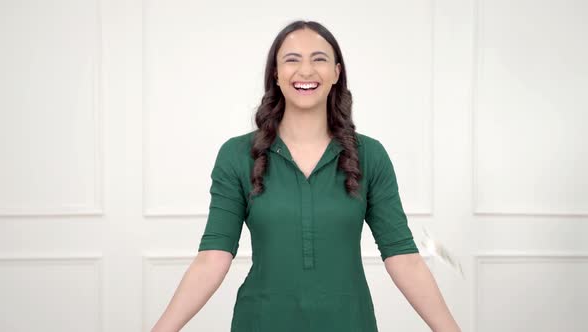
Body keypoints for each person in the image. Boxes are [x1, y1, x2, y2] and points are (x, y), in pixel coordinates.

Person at [151, 20, 461, 332]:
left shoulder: (370, 155)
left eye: (319, 59)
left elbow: (403, 258)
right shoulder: (236, 155)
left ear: (336, 73)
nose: (306, 71)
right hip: (261, 323)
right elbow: (212, 258)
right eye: (292, 60)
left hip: (349, 323)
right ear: (276, 72)